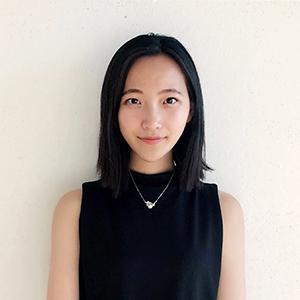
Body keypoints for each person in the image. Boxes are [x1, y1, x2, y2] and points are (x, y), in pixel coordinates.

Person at [47, 33, 246, 300]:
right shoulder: (75, 209)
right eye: (134, 100)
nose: (152, 120)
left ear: (191, 110)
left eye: (169, 100)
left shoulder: (223, 211)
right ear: (113, 109)